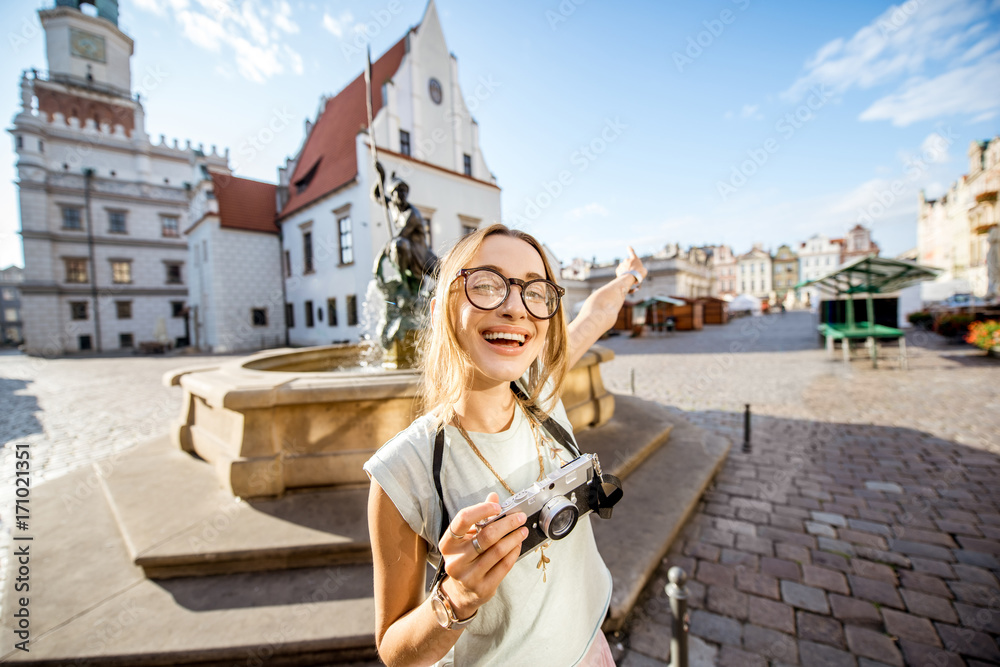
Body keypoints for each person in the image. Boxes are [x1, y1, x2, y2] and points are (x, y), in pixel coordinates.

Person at [364, 224, 646, 666]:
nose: (516, 308)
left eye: (535, 292)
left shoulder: (543, 396)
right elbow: (395, 651)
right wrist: (456, 598)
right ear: (442, 309)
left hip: (591, 649)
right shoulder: (404, 469)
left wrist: (630, 277)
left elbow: (596, 315)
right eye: (487, 285)